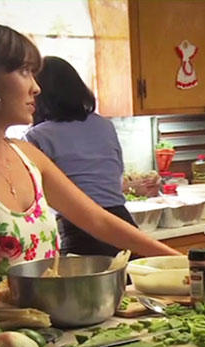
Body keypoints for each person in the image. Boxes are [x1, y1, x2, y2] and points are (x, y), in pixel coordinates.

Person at [0, 19, 178, 287]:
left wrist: (185, 262)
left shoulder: (28, 155)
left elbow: (98, 221)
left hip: (47, 325)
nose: (36, 88)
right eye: (24, 72)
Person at [25, 55, 135, 257]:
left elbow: (37, 194)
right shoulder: (104, 124)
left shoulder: (38, 135)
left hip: (80, 229)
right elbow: (117, 173)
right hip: (123, 223)